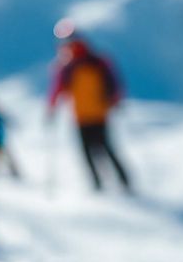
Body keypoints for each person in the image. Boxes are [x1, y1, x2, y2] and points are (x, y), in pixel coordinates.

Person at [47, 31, 132, 192]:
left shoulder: (68, 66)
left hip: (85, 115)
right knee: (105, 149)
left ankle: (99, 184)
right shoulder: (96, 61)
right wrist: (116, 99)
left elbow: (57, 88)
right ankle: (121, 181)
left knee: (89, 152)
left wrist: (51, 107)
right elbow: (114, 83)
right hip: (98, 113)